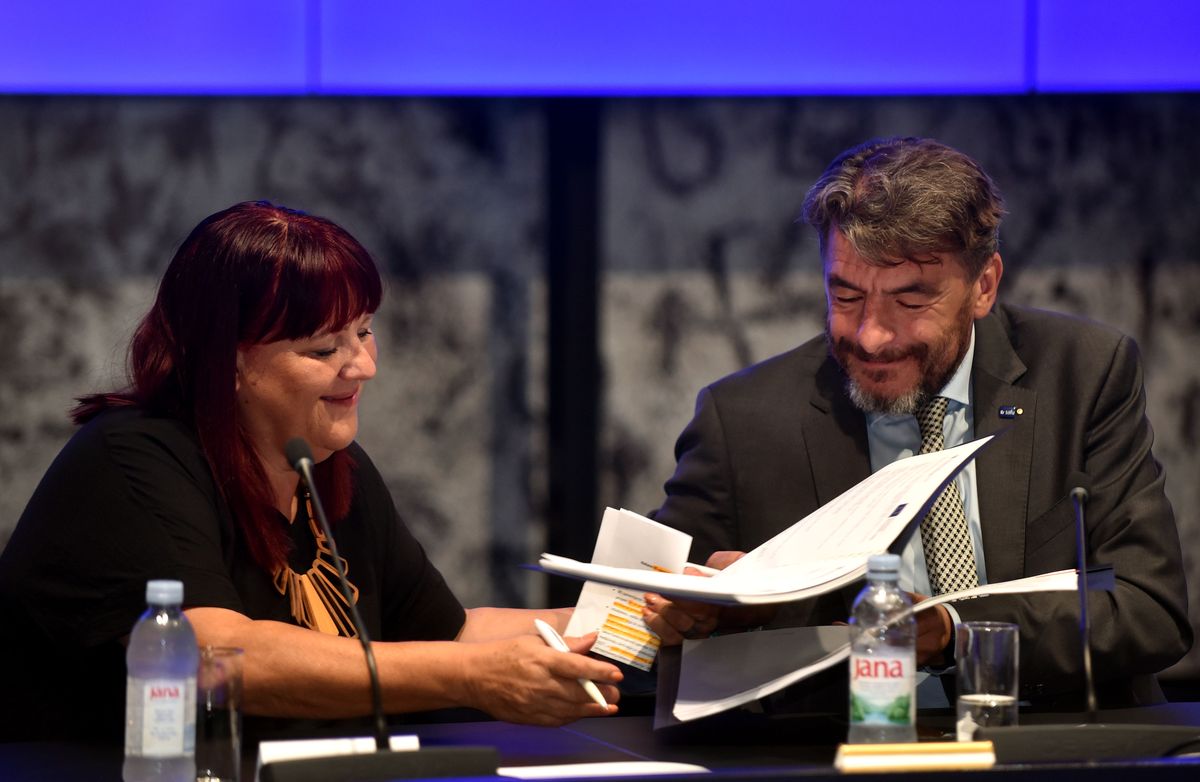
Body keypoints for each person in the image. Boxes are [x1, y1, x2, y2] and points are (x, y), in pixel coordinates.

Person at [0, 201, 621, 742]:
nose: (364, 366)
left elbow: (455, 635)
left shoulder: (328, 466)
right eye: (324, 348)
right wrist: (471, 678)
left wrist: (628, 623)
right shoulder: (133, 459)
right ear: (228, 363)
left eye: (365, 332)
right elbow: (216, 655)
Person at [642, 137, 1191, 709]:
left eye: (909, 302)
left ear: (983, 286)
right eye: (846, 296)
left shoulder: (1082, 374)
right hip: (843, 747)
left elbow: (1150, 609)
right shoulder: (743, 420)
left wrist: (955, 630)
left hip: (1060, 739)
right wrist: (701, 617)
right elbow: (641, 630)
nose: (872, 336)